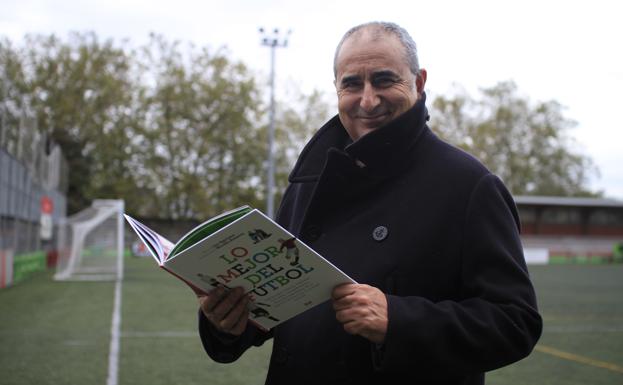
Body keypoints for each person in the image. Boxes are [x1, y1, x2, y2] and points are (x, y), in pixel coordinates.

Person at [197, 21, 542, 384]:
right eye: (352, 84)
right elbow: (282, 301)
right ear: (336, 89)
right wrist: (228, 321)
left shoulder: (468, 184)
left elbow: (515, 323)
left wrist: (398, 319)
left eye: (383, 80)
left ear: (419, 82)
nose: (367, 100)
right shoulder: (310, 179)